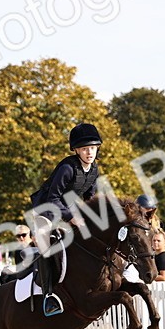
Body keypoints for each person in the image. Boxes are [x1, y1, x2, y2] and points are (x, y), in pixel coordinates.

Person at [28, 122, 102, 315]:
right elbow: (52, 198)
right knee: (49, 248)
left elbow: (90, 199)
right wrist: (72, 217)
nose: (89, 153)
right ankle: (48, 296)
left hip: (67, 209)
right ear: (76, 150)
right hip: (45, 210)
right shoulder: (67, 168)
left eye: (93, 148)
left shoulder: (94, 170)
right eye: (85, 149)